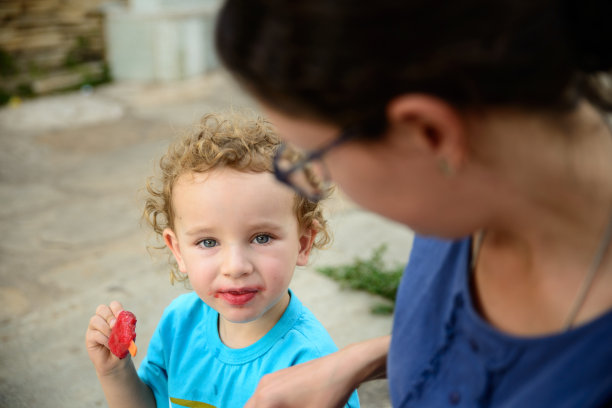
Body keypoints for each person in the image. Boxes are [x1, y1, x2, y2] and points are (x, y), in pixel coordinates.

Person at [214, 1, 612, 407]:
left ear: (429, 132)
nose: (313, 179)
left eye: (318, 158)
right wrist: (359, 361)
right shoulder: (459, 202)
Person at [85, 112, 360, 408]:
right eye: (208, 242)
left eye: (262, 237)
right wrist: (114, 372)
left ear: (303, 244)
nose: (235, 267)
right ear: (177, 250)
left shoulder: (312, 366)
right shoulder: (179, 324)